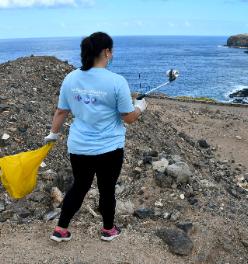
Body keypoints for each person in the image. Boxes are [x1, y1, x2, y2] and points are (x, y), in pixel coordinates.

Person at [44, 32, 147, 242]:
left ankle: (61, 229)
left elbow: (61, 111)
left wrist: (53, 135)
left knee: (79, 186)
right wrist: (140, 107)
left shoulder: (71, 78)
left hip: (79, 146)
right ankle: (108, 230)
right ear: (107, 52)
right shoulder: (117, 81)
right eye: (112, 50)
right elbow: (128, 118)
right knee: (107, 189)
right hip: (109, 147)